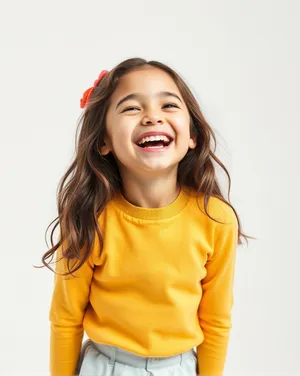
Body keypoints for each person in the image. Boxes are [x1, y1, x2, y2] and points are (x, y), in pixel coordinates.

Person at [42, 57, 252, 376]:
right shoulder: (91, 219)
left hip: (180, 368)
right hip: (105, 368)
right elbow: (65, 318)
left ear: (192, 134)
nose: (152, 117)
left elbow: (217, 321)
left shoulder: (216, 220)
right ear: (103, 141)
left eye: (168, 105)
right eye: (131, 108)